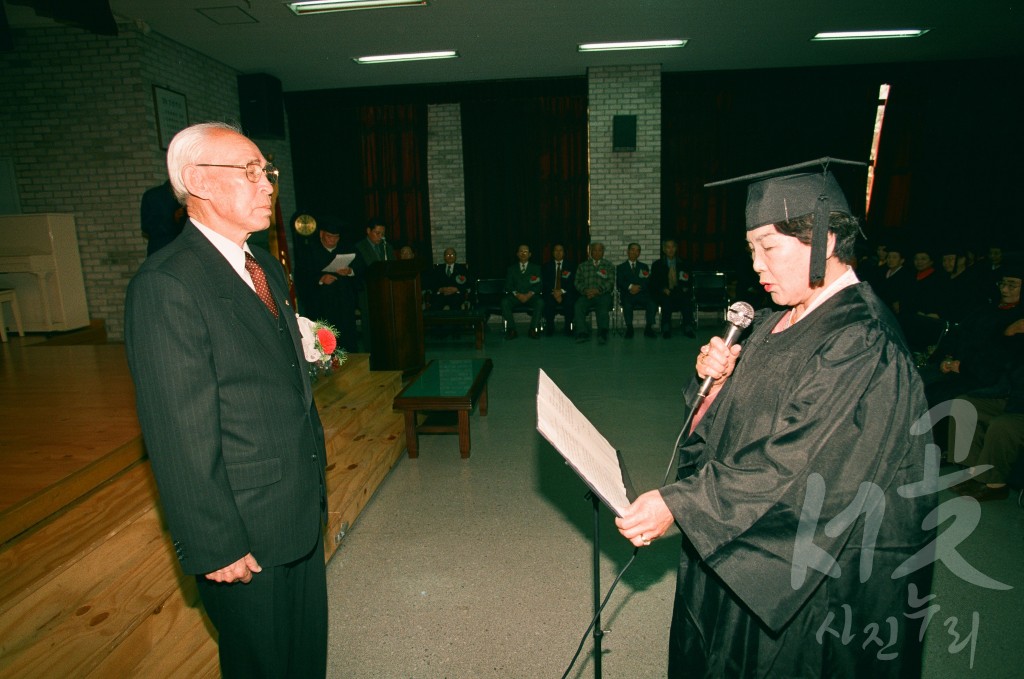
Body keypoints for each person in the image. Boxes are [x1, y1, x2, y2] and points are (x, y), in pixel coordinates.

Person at [615, 158, 934, 677]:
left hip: (806, 575)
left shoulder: (861, 341)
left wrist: (680, 504)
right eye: (751, 250)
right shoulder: (772, 322)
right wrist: (715, 387)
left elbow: (804, 465)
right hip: (744, 536)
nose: (757, 266)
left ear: (826, 240)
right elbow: (736, 429)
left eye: (768, 247)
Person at [124, 122, 328, 677]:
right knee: (262, 664)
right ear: (199, 183)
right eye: (251, 171)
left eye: (268, 172)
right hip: (243, 526)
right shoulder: (168, 283)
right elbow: (177, 430)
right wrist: (214, 543)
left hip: (296, 507)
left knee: (304, 658)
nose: (267, 186)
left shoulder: (258, 263)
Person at [295, 214, 359, 353]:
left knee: (347, 341)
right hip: (322, 306)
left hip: (344, 305)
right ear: (321, 234)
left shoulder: (345, 248)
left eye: (336, 237)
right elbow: (302, 277)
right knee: (327, 343)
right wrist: (320, 279)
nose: (333, 240)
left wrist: (350, 271)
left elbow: (362, 269)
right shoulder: (309, 251)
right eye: (330, 236)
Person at [351, 218, 394, 350]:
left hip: (387, 291)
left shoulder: (387, 247)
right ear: (368, 231)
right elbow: (359, 271)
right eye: (377, 233)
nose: (380, 237)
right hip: (367, 293)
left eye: (382, 233)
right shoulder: (359, 248)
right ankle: (372, 353)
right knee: (370, 325)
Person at [649, 239, 695, 338]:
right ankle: (666, 328)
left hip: (680, 291)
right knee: (666, 300)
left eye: (673, 247)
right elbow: (654, 282)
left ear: (676, 248)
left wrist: (685, 288)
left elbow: (689, 280)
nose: (671, 249)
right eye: (668, 247)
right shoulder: (657, 265)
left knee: (686, 300)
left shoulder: (683, 263)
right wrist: (663, 289)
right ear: (664, 249)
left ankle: (688, 327)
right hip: (665, 292)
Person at [572, 241, 614, 344]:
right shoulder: (582, 266)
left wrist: (598, 290)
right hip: (586, 295)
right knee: (578, 306)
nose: (597, 252)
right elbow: (577, 281)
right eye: (594, 250)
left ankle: (603, 333)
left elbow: (611, 282)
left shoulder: (608, 265)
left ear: (603, 252)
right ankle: (582, 333)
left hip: (603, 295)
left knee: (603, 307)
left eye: (600, 250)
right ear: (590, 252)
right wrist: (585, 291)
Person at [500, 243, 543, 339]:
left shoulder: (536, 268)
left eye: (526, 252)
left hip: (530, 297)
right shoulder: (511, 269)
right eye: (521, 251)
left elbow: (539, 285)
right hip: (516, 297)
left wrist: (529, 294)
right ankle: (512, 330)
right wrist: (517, 294)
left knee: (540, 302)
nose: (523, 254)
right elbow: (508, 285)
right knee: (504, 302)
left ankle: (533, 329)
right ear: (517, 254)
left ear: (530, 254)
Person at [616, 242, 657, 338]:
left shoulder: (644, 266)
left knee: (652, 303)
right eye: (632, 250)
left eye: (637, 250)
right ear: (628, 251)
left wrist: (638, 288)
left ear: (639, 253)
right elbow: (620, 282)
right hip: (628, 294)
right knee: (627, 304)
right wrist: (630, 287)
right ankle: (629, 328)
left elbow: (647, 281)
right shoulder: (621, 267)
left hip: (642, 294)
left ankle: (648, 328)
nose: (635, 252)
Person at [140, 179, 186, 256]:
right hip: (177, 249)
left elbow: (145, 227)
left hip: (157, 248)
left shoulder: (150, 194)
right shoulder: (182, 197)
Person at [541, 243, 576, 336]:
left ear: (564, 253)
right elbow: (545, 283)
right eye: (556, 250)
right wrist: (555, 293)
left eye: (561, 250)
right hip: (551, 293)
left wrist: (561, 292)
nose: (558, 252)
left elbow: (572, 282)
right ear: (553, 253)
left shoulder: (571, 266)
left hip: (565, 293)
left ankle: (568, 327)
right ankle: (550, 327)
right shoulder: (546, 266)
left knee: (570, 301)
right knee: (547, 302)